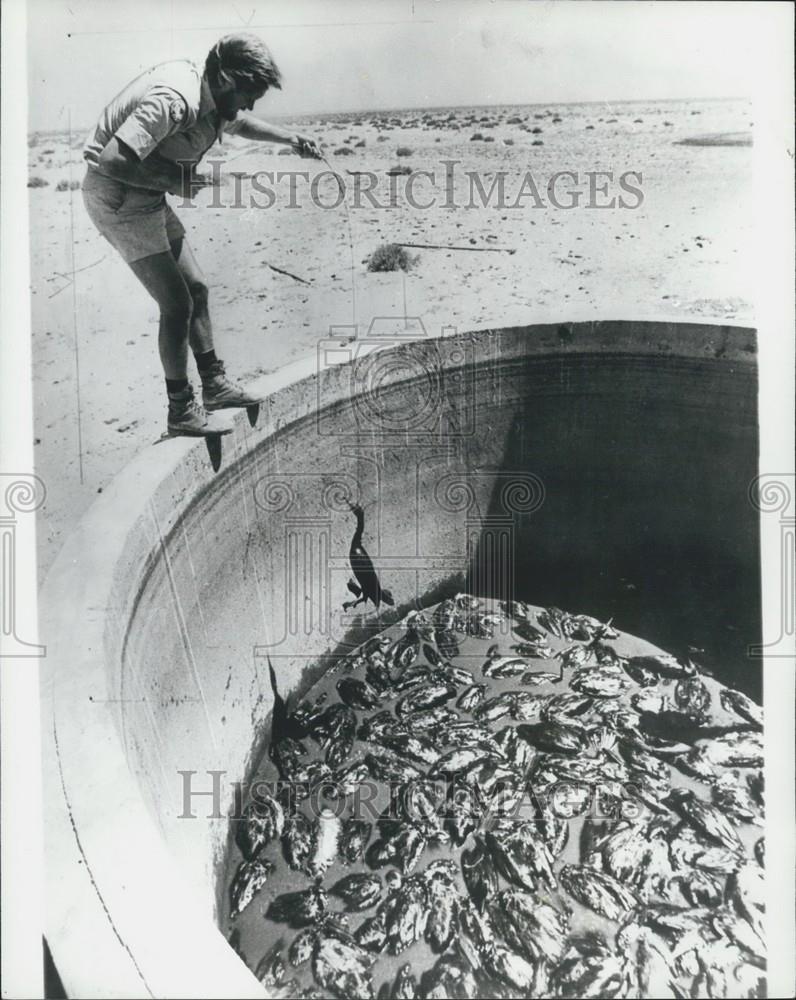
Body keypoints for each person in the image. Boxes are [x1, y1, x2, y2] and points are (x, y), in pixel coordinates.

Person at [82, 33, 321, 436]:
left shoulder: (212, 92)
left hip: (147, 191)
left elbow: (237, 120)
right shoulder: (174, 99)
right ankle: (181, 411)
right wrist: (176, 181)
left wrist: (289, 140)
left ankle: (214, 385)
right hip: (120, 197)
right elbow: (111, 160)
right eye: (249, 93)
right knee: (176, 304)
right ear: (227, 78)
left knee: (197, 288)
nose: (250, 103)